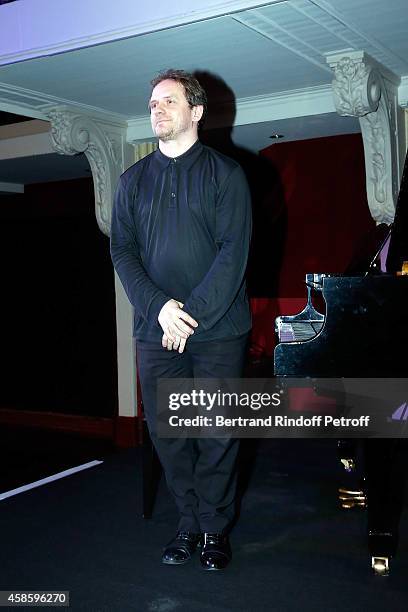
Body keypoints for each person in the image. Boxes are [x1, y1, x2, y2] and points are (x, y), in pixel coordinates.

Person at [110, 69, 252, 570]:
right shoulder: (132, 182)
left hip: (217, 331)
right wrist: (160, 309)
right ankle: (187, 524)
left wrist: (186, 315)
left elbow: (233, 255)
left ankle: (214, 529)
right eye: (152, 103)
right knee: (170, 435)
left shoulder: (226, 175)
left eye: (168, 101)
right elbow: (123, 254)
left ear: (195, 112)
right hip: (155, 331)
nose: (157, 109)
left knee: (216, 432)